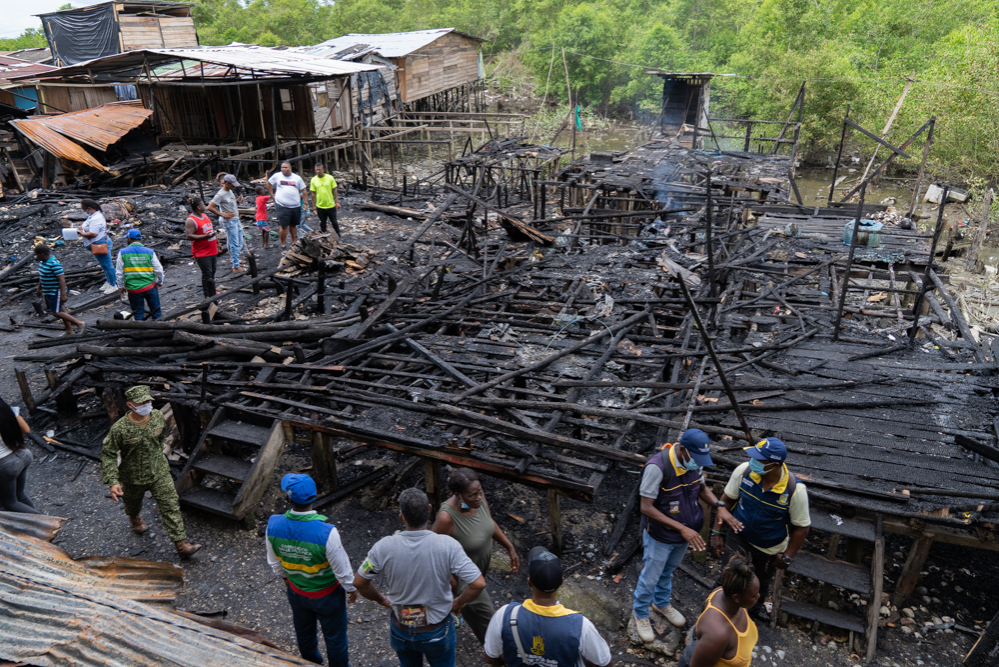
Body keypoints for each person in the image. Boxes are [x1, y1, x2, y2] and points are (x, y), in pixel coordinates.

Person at [354, 488, 486, 667]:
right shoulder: (447, 546)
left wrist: (382, 600)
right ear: (430, 510)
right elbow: (478, 584)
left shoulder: (383, 547)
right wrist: (457, 602)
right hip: (436, 631)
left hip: (402, 629)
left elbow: (360, 582)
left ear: (402, 517)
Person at [633, 429, 742, 643]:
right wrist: (681, 528)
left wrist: (719, 505)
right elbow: (645, 507)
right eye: (695, 458)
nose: (698, 464)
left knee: (668, 571)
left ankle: (662, 603)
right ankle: (640, 613)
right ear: (682, 449)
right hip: (661, 535)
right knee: (650, 577)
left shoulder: (694, 462)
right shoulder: (658, 467)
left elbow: (701, 488)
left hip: (685, 534)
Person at [711, 438, 810, 622]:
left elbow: (801, 528)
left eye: (758, 459)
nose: (752, 462)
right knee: (728, 579)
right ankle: (712, 621)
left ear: (774, 465)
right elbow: (725, 502)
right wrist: (716, 532)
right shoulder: (744, 471)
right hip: (738, 536)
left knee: (755, 589)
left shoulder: (795, 490)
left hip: (768, 548)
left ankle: (744, 626)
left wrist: (787, 556)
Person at [101, 385, 202, 559]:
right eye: (141, 402)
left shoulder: (157, 417)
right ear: (131, 405)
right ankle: (135, 518)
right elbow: (108, 454)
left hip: (159, 471)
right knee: (132, 503)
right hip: (133, 476)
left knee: (170, 506)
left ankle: (181, 545)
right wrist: (113, 481)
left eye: (148, 401)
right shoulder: (120, 429)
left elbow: (160, 438)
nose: (146, 405)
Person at [266, 473, 356, 666]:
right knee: (335, 639)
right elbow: (343, 571)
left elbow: (275, 563)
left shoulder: (272, 525)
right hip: (327, 596)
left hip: (297, 592)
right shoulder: (327, 532)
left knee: (304, 634)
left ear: (289, 498)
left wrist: (285, 578)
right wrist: (351, 589)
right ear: (314, 497)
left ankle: (311, 663)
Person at [483, 546, 612, 667]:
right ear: (561, 582)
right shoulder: (580, 626)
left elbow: (491, 658)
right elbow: (605, 663)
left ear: (529, 582)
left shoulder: (505, 614)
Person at [431, 468, 520, 643]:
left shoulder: (476, 500)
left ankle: (448, 616)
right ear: (458, 495)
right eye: (473, 495)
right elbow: (434, 553)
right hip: (466, 582)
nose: (478, 497)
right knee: (491, 624)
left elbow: (488, 521)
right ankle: (498, 655)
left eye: (480, 492)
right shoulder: (446, 518)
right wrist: (453, 583)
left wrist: (509, 546)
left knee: (467, 611)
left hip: (479, 571)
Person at [678, 557, 759, 667]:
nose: (758, 596)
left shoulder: (722, 592)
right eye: (754, 595)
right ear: (737, 598)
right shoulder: (718, 636)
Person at [34, 244, 85, 335]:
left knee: (56, 312)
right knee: (62, 311)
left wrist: (63, 294)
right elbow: (42, 277)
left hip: (55, 291)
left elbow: (62, 279)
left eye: (36, 254)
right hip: (48, 291)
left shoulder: (54, 264)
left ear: (41, 254)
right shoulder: (42, 263)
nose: (36, 256)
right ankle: (69, 330)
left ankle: (80, 323)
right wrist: (39, 289)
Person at [0, 397, 40, 514]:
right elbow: (26, 429)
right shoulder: (6, 410)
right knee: (20, 495)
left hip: (6, 465)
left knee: (10, 502)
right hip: (23, 454)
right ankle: (38, 526)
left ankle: (44, 522)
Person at [115, 229, 164, 321]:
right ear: (140, 238)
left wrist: (121, 286)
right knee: (156, 311)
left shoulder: (122, 252)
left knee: (138, 314)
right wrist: (159, 281)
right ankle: (160, 331)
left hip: (133, 289)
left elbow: (119, 273)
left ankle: (141, 332)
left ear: (129, 239)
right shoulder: (149, 252)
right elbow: (159, 270)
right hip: (150, 287)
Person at [77, 198, 117, 293]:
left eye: (83, 209)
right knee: (104, 265)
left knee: (108, 265)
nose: (83, 211)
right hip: (96, 244)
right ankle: (109, 281)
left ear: (89, 208)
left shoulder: (96, 218)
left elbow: (93, 234)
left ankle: (114, 284)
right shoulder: (92, 216)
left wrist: (81, 233)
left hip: (100, 244)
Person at [208, 174, 245, 273]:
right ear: (227, 183)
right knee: (234, 243)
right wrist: (223, 214)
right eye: (232, 185)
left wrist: (237, 201)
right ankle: (236, 265)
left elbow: (230, 204)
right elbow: (210, 207)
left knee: (239, 242)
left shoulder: (230, 191)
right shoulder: (220, 194)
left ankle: (235, 260)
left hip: (236, 220)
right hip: (230, 222)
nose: (234, 187)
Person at [267, 162, 307, 249]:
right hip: (282, 205)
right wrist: (272, 195)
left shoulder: (297, 178)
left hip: (295, 206)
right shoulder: (277, 176)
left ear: (290, 168)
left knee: (293, 225)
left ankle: (294, 242)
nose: (283, 169)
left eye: (285, 167)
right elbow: (269, 183)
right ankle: (283, 243)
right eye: (282, 167)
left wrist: (305, 203)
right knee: (284, 226)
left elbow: (304, 191)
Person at [185, 198, 219, 298]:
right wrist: (205, 237)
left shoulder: (205, 216)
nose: (205, 206)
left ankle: (212, 292)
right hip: (202, 252)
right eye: (203, 204)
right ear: (198, 207)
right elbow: (189, 236)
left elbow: (210, 230)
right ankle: (207, 295)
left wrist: (217, 242)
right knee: (207, 274)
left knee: (212, 272)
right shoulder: (191, 220)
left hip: (212, 249)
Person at [308, 163, 341, 237]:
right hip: (320, 206)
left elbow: (334, 190)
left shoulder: (330, 178)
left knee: (334, 222)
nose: (318, 171)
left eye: (319, 169)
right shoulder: (313, 180)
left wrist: (337, 202)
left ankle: (338, 235)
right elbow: (313, 193)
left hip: (330, 205)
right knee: (323, 222)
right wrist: (313, 206)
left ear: (323, 169)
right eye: (316, 170)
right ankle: (324, 236)